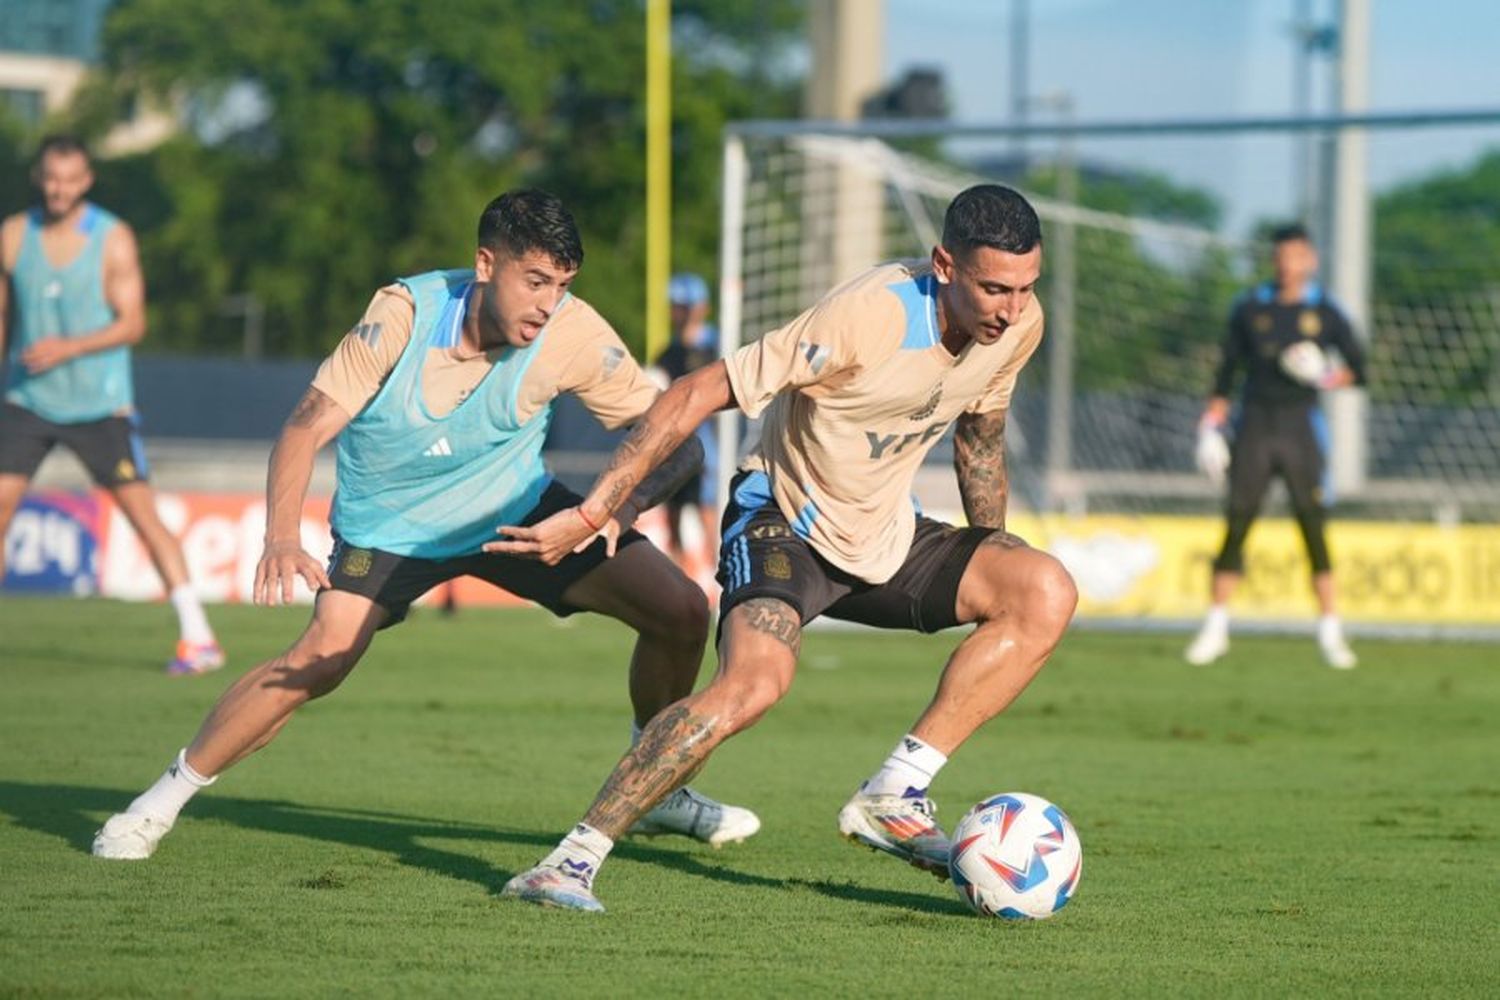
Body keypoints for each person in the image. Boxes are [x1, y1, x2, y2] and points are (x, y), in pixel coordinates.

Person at [91, 189, 759, 861]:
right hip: (392, 526)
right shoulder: (404, 314)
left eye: (560, 284)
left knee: (679, 609)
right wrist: (282, 539)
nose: (547, 303)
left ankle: (655, 784)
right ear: (485, 264)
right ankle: (158, 803)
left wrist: (612, 510)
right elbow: (306, 424)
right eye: (534, 281)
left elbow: (677, 439)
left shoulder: (575, 332)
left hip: (513, 512)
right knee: (318, 661)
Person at [491, 184, 1079, 913]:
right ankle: (570, 861)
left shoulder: (1018, 326)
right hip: (782, 520)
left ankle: (894, 792)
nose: (1011, 308)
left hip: (884, 535)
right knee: (754, 685)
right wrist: (597, 506)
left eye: (1026, 288)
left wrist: (990, 545)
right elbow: (694, 393)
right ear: (945, 266)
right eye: (994, 288)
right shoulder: (864, 317)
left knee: (1043, 589)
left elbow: (980, 437)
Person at [0, 134, 224, 675]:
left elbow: (133, 323)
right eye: (51, 178)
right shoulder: (11, 235)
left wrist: (67, 347)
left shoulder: (112, 238)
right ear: (40, 177)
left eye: (70, 180)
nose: (59, 189)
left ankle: (199, 638)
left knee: (142, 516)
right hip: (27, 401)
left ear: (86, 180)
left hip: (99, 407)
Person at [1186, 223, 1367, 669]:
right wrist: (1211, 426)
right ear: (1274, 261)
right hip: (1255, 427)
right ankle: (1215, 627)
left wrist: (1324, 376)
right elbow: (1226, 372)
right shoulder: (1249, 308)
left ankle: (1330, 632)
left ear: (1311, 261)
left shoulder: (1326, 311)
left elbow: (1359, 369)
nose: (1288, 265)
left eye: (1296, 257)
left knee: (1312, 524)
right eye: (1281, 257)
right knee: (1238, 521)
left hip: (1302, 427)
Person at [652, 272, 720, 570]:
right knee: (675, 510)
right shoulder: (669, 353)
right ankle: (678, 576)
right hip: (677, 443)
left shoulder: (716, 347)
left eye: (683, 305)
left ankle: (721, 573)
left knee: (708, 508)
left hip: (709, 444)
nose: (677, 312)